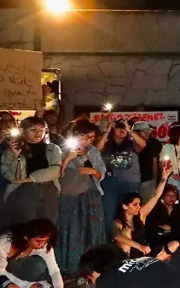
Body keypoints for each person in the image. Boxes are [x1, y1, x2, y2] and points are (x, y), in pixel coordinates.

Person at [56, 121, 107, 271]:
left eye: (92, 137)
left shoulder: (93, 151)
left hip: (90, 193)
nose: (88, 140)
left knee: (92, 229)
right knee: (72, 228)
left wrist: (93, 172)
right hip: (69, 194)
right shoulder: (61, 150)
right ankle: (70, 265)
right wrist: (68, 159)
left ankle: (93, 265)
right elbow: (57, 173)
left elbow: (101, 173)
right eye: (85, 136)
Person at [0, 116, 62, 230]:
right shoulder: (11, 151)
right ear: (23, 131)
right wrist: (15, 157)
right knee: (25, 225)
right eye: (33, 130)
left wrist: (29, 179)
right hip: (24, 190)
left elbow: (55, 171)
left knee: (47, 226)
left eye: (42, 130)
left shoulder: (52, 149)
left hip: (49, 189)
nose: (38, 133)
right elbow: (14, 177)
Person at [97, 118, 146, 234]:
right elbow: (97, 149)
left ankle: (128, 241)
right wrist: (108, 130)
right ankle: (110, 241)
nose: (122, 130)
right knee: (109, 212)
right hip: (111, 182)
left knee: (129, 214)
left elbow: (143, 144)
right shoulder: (107, 145)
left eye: (123, 127)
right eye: (119, 127)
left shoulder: (132, 144)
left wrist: (130, 131)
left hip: (130, 182)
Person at [113, 167, 175, 260]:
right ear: (125, 206)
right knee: (126, 232)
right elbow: (117, 236)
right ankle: (127, 267)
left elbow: (155, 196)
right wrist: (139, 246)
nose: (138, 207)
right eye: (135, 204)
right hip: (130, 253)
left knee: (174, 244)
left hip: (144, 251)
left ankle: (152, 264)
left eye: (139, 204)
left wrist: (164, 178)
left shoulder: (141, 215)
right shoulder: (118, 222)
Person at [0, 219, 65, 288]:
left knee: (39, 265)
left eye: (45, 241)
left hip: (19, 273)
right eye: (38, 241)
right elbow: (1, 272)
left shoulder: (45, 246)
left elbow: (54, 270)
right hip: (3, 275)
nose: (42, 245)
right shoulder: (5, 244)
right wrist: (19, 285)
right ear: (26, 237)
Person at [145, 184, 180, 256]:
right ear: (163, 196)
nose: (171, 198)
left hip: (177, 234)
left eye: (174, 196)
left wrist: (172, 228)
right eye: (168, 196)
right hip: (160, 236)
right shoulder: (156, 207)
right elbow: (151, 224)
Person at [135, 123, 164, 202]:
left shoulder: (151, 144)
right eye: (144, 131)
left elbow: (154, 162)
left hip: (147, 180)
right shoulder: (128, 144)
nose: (147, 133)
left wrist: (154, 179)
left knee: (147, 203)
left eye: (149, 131)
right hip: (132, 180)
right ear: (136, 132)